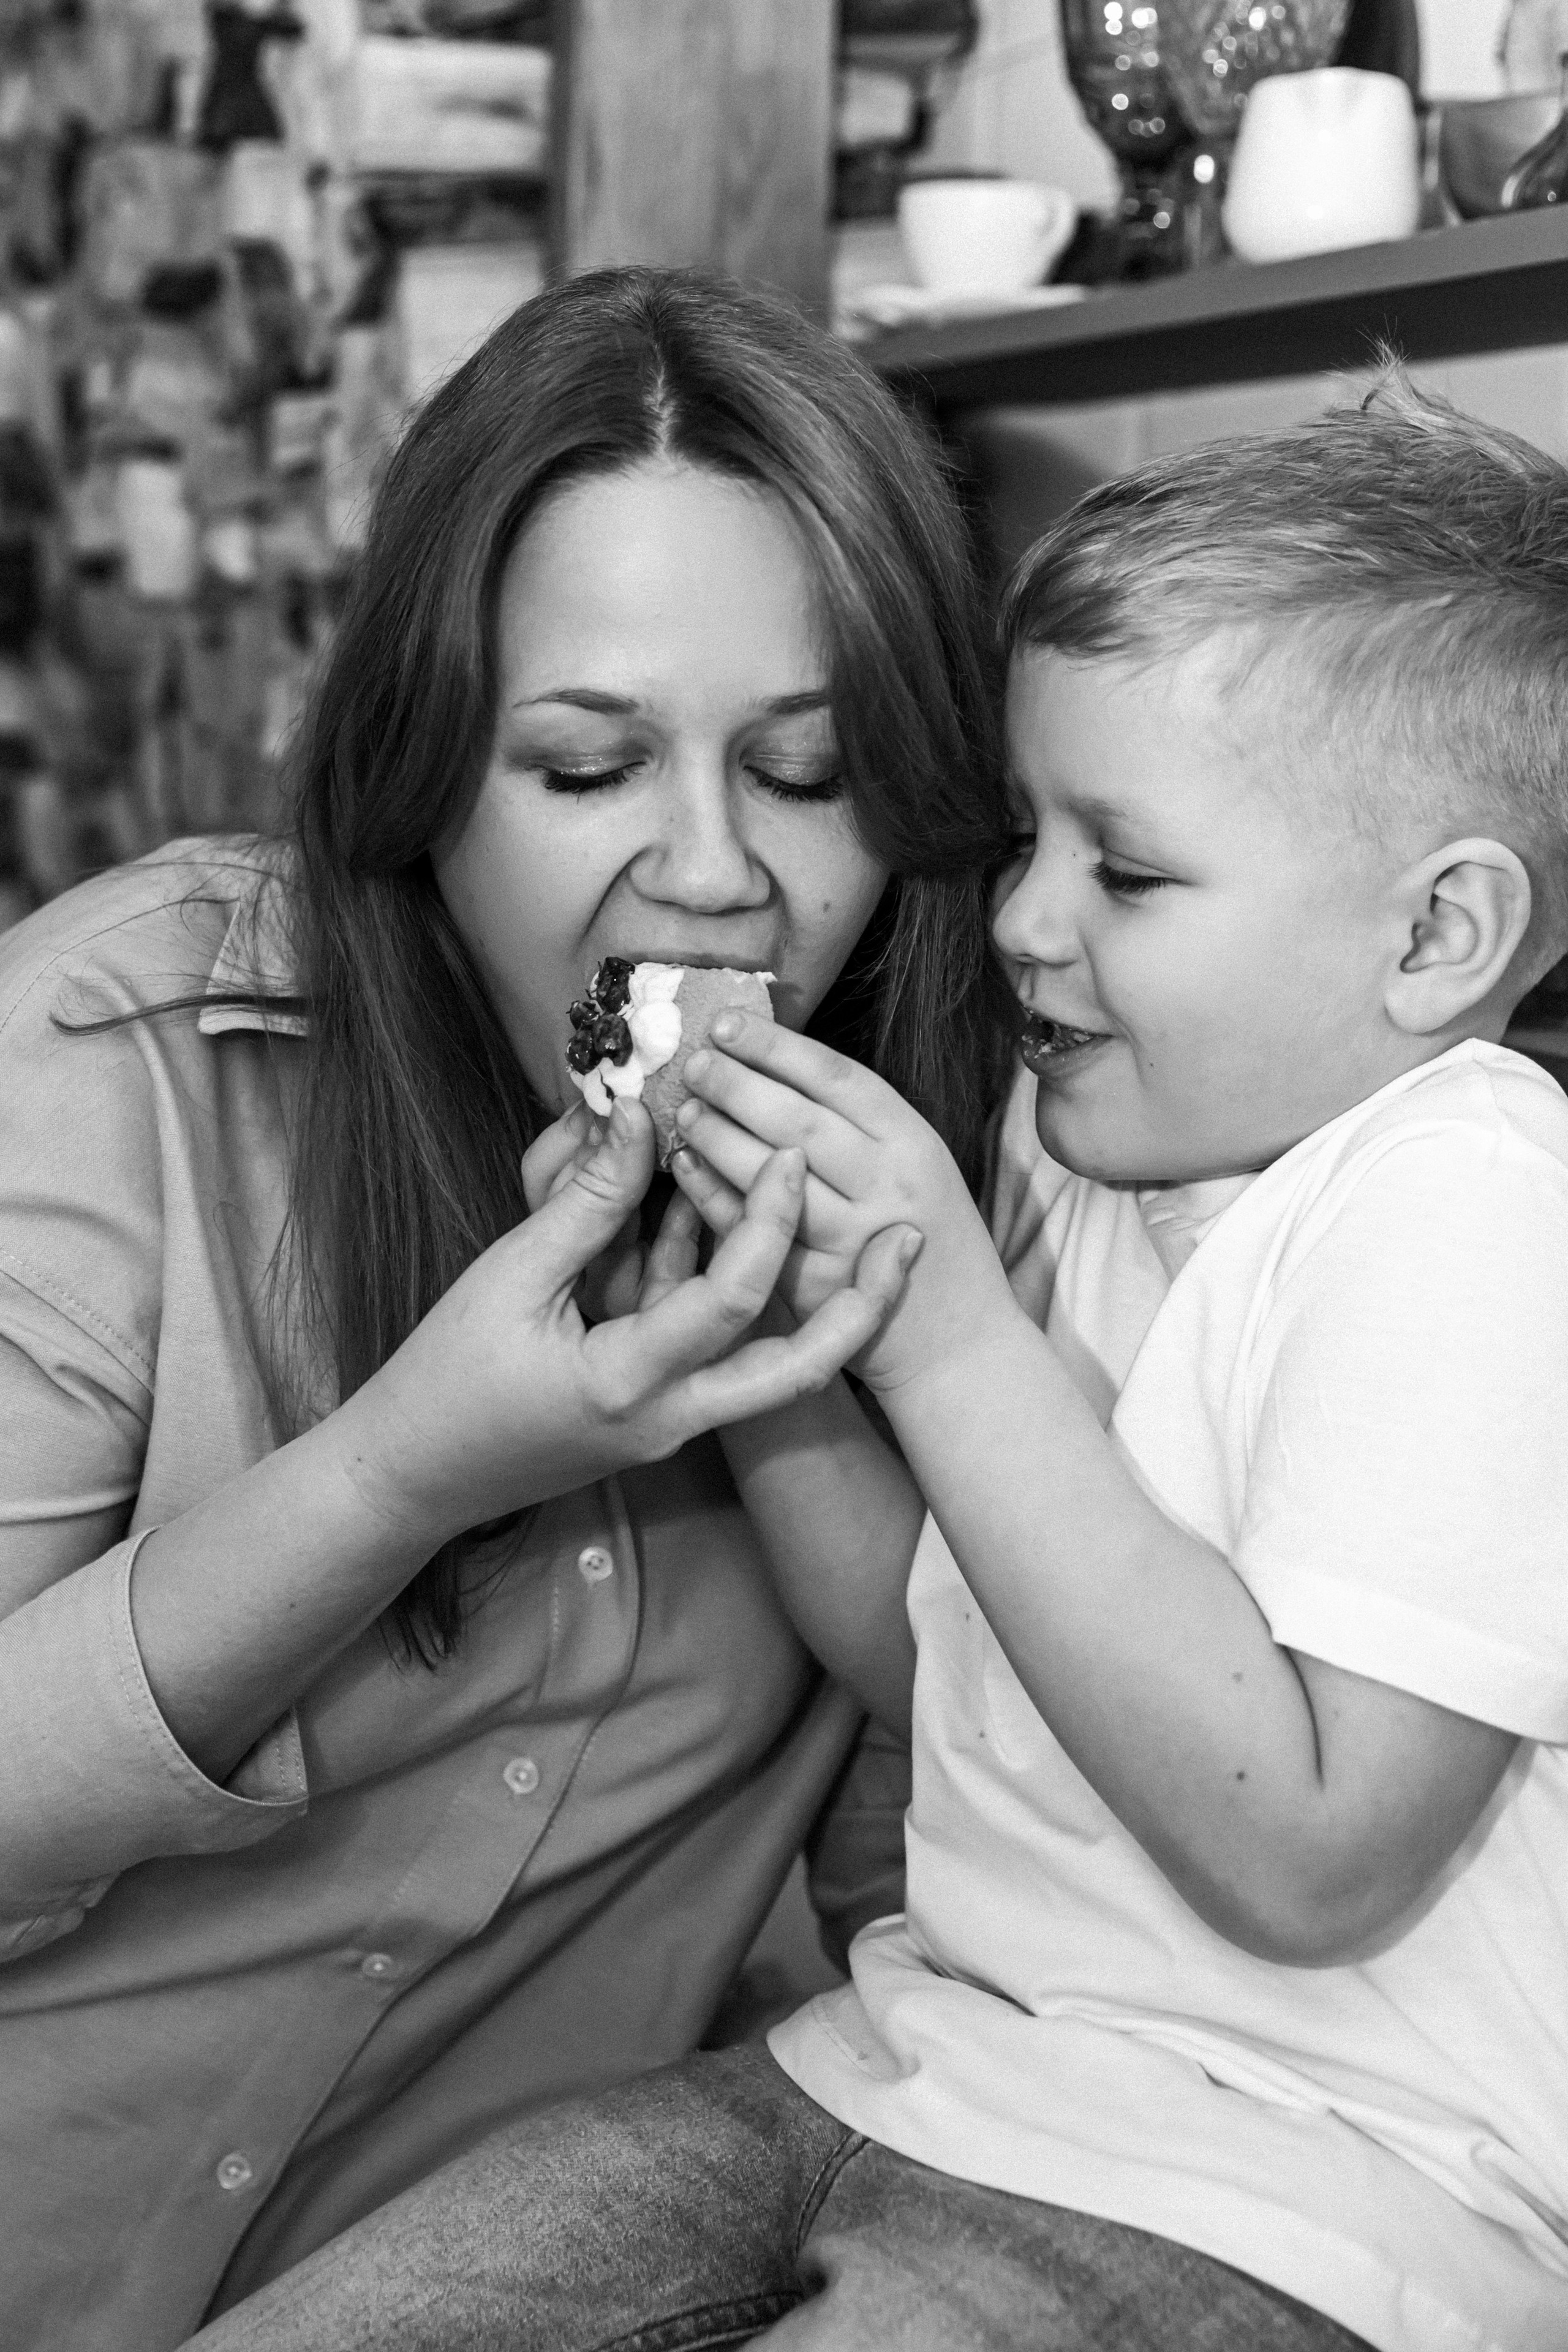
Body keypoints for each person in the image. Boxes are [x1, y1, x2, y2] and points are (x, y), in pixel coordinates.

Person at [190, 372, 1568, 2352]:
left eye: (1126, 871)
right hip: (912, 2069)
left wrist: (941, 1332)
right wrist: (761, 1323)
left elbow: (1313, 1857)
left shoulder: (1471, 1202)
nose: (1018, 921)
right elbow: (940, 1671)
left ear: (1439, 936)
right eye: (1024, 837)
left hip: (1303, 2194)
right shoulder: (1094, 1143)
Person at [0, 265, 1010, 2352]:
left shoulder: (953, 1186)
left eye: (808, 770)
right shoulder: (117, 1057)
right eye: (585, 766)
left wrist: (796, 1374)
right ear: (428, 779)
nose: (715, 872)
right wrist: (398, 1476)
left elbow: (951, 1893)